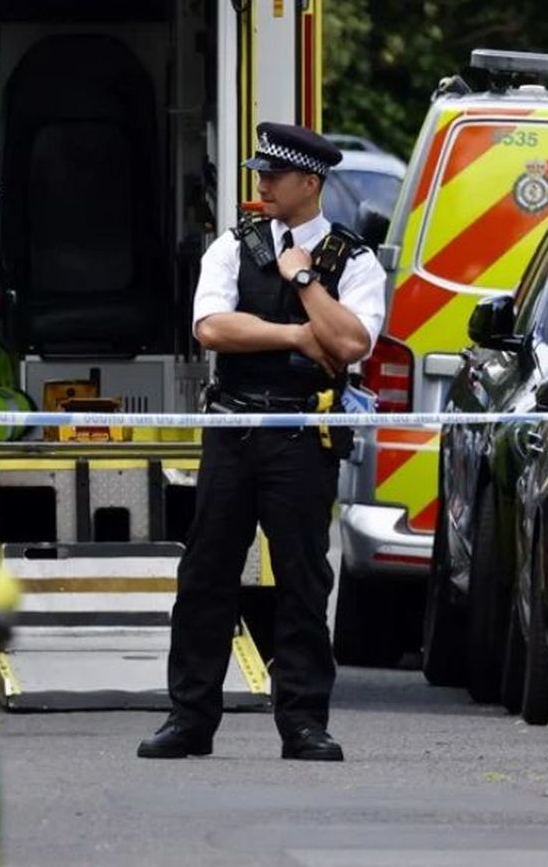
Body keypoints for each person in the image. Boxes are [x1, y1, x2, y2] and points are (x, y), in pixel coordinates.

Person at [137, 122, 387, 762]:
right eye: (259, 173)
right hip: (233, 426)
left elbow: (354, 344)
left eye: (274, 175)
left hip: (303, 432)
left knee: (303, 579)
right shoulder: (233, 247)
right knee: (205, 576)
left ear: (312, 182)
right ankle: (190, 718)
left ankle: (303, 722)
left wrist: (304, 282)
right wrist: (300, 336)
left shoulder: (351, 260)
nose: (261, 184)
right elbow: (212, 327)